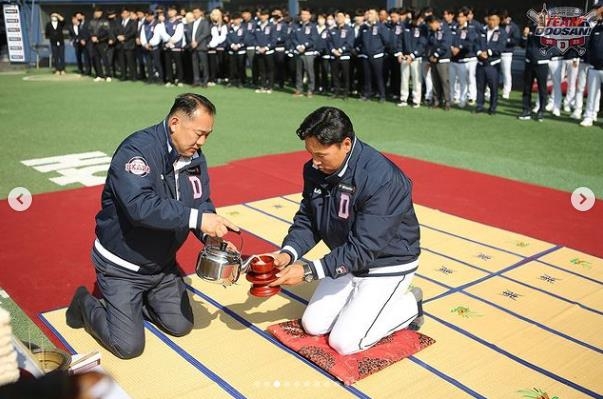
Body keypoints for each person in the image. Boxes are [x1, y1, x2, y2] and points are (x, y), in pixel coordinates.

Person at [65, 93, 239, 359]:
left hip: (162, 265)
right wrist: (198, 218)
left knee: (181, 326)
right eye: (198, 133)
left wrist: (210, 237)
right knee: (128, 347)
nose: (202, 142)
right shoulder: (137, 151)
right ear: (174, 123)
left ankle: (136, 305)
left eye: (208, 135)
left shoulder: (194, 157)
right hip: (122, 266)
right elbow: (139, 206)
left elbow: (201, 201)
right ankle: (84, 303)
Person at [269, 107, 422, 356]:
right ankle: (364, 304)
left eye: (321, 154)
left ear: (346, 144)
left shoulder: (384, 179)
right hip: (347, 257)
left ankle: (410, 304)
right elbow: (309, 218)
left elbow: (365, 247)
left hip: (387, 262)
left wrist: (309, 271)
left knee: (345, 343)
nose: (314, 162)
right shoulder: (316, 169)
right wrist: (287, 254)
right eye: (310, 153)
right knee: (313, 325)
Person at [475, 10, 507, 115]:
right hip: (481, 63)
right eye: (490, 19)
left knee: (493, 87)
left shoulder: (502, 33)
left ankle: (492, 108)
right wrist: (479, 52)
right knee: (480, 87)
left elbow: (501, 47)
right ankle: (479, 106)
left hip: (493, 64)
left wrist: (488, 52)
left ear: (498, 21)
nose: (492, 22)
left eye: (494, 20)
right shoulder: (481, 31)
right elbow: (475, 44)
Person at [517, 23, 550, 122]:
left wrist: (539, 33)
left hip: (542, 63)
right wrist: (524, 35)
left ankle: (541, 111)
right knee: (527, 88)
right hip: (529, 62)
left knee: (542, 88)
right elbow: (523, 45)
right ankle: (526, 109)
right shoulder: (531, 28)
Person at [358, 8, 389, 102]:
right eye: (368, 14)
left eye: (371, 14)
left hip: (377, 56)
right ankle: (367, 94)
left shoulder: (381, 27)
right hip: (366, 56)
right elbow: (359, 41)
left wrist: (380, 50)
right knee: (367, 77)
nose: (369, 15)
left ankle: (382, 95)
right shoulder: (364, 27)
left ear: (376, 16)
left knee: (378, 77)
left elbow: (386, 41)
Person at [450, 7, 478, 108]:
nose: (459, 19)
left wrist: (459, 47)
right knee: (453, 80)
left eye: (462, 17)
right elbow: (449, 40)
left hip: (466, 58)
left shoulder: (471, 29)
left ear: (466, 18)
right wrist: (452, 48)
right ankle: (454, 97)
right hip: (453, 59)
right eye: (458, 17)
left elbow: (470, 43)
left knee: (466, 80)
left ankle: (467, 98)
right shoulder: (453, 28)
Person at [581, 4, 603, 127]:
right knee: (592, 94)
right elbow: (589, 46)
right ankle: (589, 116)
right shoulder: (596, 28)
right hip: (595, 67)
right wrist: (591, 59)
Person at [399, 11, 427, 108]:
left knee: (416, 80)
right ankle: (403, 99)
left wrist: (413, 55)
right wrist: (400, 53)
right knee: (404, 79)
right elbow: (400, 40)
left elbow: (422, 44)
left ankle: (416, 100)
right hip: (405, 57)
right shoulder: (406, 26)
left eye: (417, 19)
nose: (415, 21)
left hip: (416, 58)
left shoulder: (423, 28)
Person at [425, 15, 452, 110]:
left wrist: (436, 54)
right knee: (435, 81)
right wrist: (429, 56)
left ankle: (447, 101)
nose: (430, 27)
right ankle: (436, 100)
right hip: (433, 60)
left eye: (430, 25)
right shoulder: (432, 32)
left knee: (444, 81)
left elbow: (445, 44)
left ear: (435, 22)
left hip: (443, 59)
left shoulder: (446, 30)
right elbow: (429, 44)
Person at [291, 8, 319, 97]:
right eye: (302, 14)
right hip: (299, 52)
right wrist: (298, 46)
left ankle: (310, 90)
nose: (304, 16)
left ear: (310, 16)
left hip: (308, 53)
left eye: (306, 14)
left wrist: (304, 46)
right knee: (299, 72)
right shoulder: (296, 26)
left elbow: (314, 39)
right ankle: (299, 89)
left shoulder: (313, 26)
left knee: (310, 72)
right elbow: (293, 38)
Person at [328, 10, 354, 99]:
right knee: (335, 75)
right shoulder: (332, 30)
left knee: (346, 75)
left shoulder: (349, 29)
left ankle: (346, 93)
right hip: (334, 56)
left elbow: (350, 43)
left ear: (344, 18)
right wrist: (333, 50)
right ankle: (336, 92)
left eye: (341, 17)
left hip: (345, 56)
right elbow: (329, 42)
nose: (339, 18)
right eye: (337, 17)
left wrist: (340, 50)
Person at [187, 7, 211, 87]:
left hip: (201, 46)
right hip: (193, 47)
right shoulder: (191, 23)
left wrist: (197, 41)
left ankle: (205, 81)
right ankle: (196, 80)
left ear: (201, 13)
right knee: (195, 65)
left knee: (204, 65)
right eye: (193, 12)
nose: (195, 14)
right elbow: (189, 34)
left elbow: (205, 33)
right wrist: (192, 42)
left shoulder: (205, 22)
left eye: (196, 12)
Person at [162, 6, 185, 87]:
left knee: (178, 64)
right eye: (169, 11)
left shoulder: (179, 23)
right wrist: (168, 42)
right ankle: (170, 80)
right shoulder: (165, 23)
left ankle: (179, 80)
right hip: (167, 46)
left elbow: (178, 35)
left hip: (176, 47)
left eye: (172, 10)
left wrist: (171, 42)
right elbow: (163, 34)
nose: (170, 12)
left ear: (175, 12)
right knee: (168, 64)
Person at [254, 9, 275, 93]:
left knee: (270, 70)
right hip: (259, 51)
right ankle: (262, 85)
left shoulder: (272, 26)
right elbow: (254, 38)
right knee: (261, 70)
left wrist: (266, 48)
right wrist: (257, 47)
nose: (262, 17)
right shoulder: (257, 26)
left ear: (267, 16)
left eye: (264, 15)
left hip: (268, 52)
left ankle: (269, 86)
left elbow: (273, 40)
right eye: (261, 15)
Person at [500, 10, 520, 99]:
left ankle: (506, 91)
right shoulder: (499, 25)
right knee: (493, 71)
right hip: (497, 52)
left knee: (506, 72)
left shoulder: (513, 26)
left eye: (502, 18)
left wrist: (506, 41)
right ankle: (489, 91)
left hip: (507, 53)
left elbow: (516, 40)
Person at [88, 8, 111, 82]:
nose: (97, 13)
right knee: (96, 59)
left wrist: (98, 38)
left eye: (98, 12)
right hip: (94, 43)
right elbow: (90, 30)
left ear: (101, 13)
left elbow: (106, 32)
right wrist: (92, 37)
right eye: (96, 12)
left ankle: (108, 75)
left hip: (102, 43)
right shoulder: (91, 22)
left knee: (105, 59)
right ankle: (99, 75)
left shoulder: (105, 21)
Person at [116, 8, 137, 81]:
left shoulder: (133, 22)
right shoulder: (119, 22)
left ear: (128, 13)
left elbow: (133, 32)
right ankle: (123, 76)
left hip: (129, 45)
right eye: (122, 13)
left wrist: (124, 37)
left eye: (125, 13)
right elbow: (116, 31)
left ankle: (133, 76)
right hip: (120, 45)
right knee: (122, 62)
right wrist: (118, 36)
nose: (124, 15)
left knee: (131, 62)